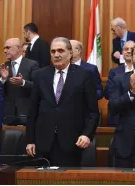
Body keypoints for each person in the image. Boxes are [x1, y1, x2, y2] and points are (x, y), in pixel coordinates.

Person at [26, 37, 100, 167]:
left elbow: (93, 111)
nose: (56, 55)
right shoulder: (39, 75)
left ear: (70, 53)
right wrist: (30, 140)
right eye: (53, 51)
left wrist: (87, 134)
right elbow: (33, 110)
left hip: (72, 142)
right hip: (42, 142)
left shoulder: (84, 75)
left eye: (60, 51)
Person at [0, 38, 39, 125]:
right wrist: (3, 79)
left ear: (18, 48)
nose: (5, 51)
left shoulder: (32, 64)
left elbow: (37, 86)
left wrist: (23, 82)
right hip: (8, 114)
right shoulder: (3, 67)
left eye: (8, 47)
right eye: (4, 48)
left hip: (26, 112)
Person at [104, 40, 135, 127]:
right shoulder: (114, 72)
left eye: (132, 49)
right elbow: (108, 94)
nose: (129, 51)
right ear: (122, 52)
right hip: (117, 118)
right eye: (126, 49)